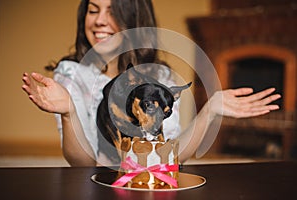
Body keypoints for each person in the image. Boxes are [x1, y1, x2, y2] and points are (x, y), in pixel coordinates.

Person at [22, 0, 281, 166]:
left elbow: (170, 156)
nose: (99, 20)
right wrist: (68, 113)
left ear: (133, 19)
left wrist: (210, 110)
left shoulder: (161, 81)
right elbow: (83, 165)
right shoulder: (71, 75)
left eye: (113, 11)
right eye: (92, 10)